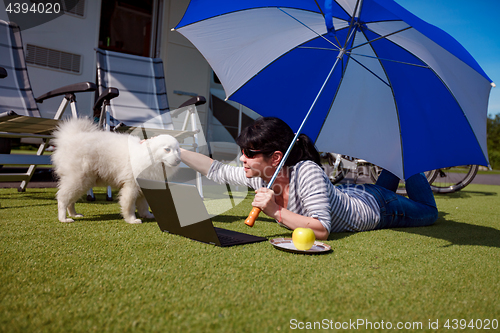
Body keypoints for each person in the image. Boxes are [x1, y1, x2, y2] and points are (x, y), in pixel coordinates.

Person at [180, 117, 438, 240]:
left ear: (276, 157)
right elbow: (216, 170)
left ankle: (408, 148)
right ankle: (399, 157)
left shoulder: (306, 171)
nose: (242, 159)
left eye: (249, 153)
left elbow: (321, 229)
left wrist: (274, 211)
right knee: (392, 173)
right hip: (353, 193)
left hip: (379, 209)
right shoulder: (262, 177)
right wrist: (172, 149)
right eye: (242, 153)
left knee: (429, 212)